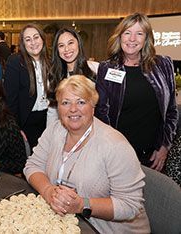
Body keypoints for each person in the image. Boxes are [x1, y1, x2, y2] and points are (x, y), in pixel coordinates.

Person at [24, 75, 150, 233]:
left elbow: (130, 205)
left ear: (93, 106)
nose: (73, 109)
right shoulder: (55, 130)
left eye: (81, 102)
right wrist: (48, 191)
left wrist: (82, 204)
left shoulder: (115, 145)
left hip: (109, 229)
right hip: (68, 223)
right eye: (65, 103)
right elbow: (33, 166)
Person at [95, 13, 178, 171]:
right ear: (120, 37)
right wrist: (110, 151)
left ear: (146, 38)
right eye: (127, 32)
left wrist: (164, 148)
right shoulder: (107, 68)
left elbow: (171, 111)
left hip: (154, 156)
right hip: (118, 154)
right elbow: (101, 113)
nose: (132, 39)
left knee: (155, 194)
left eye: (139, 33)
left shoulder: (163, 65)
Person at [4, 24, 50, 151]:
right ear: (23, 44)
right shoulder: (15, 62)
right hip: (26, 123)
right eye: (28, 39)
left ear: (42, 39)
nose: (33, 42)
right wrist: (16, 128)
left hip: (48, 120)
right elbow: (10, 100)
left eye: (36, 37)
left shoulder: (50, 62)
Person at [47, 27, 99, 125]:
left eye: (71, 43)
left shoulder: (96, 69)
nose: (67, 49)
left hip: (93, 129)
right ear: (57, 50)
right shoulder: (54, 76)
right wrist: (50, 137)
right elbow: (52, 112)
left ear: (78, 43)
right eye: (61, 46)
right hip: (66, 130)